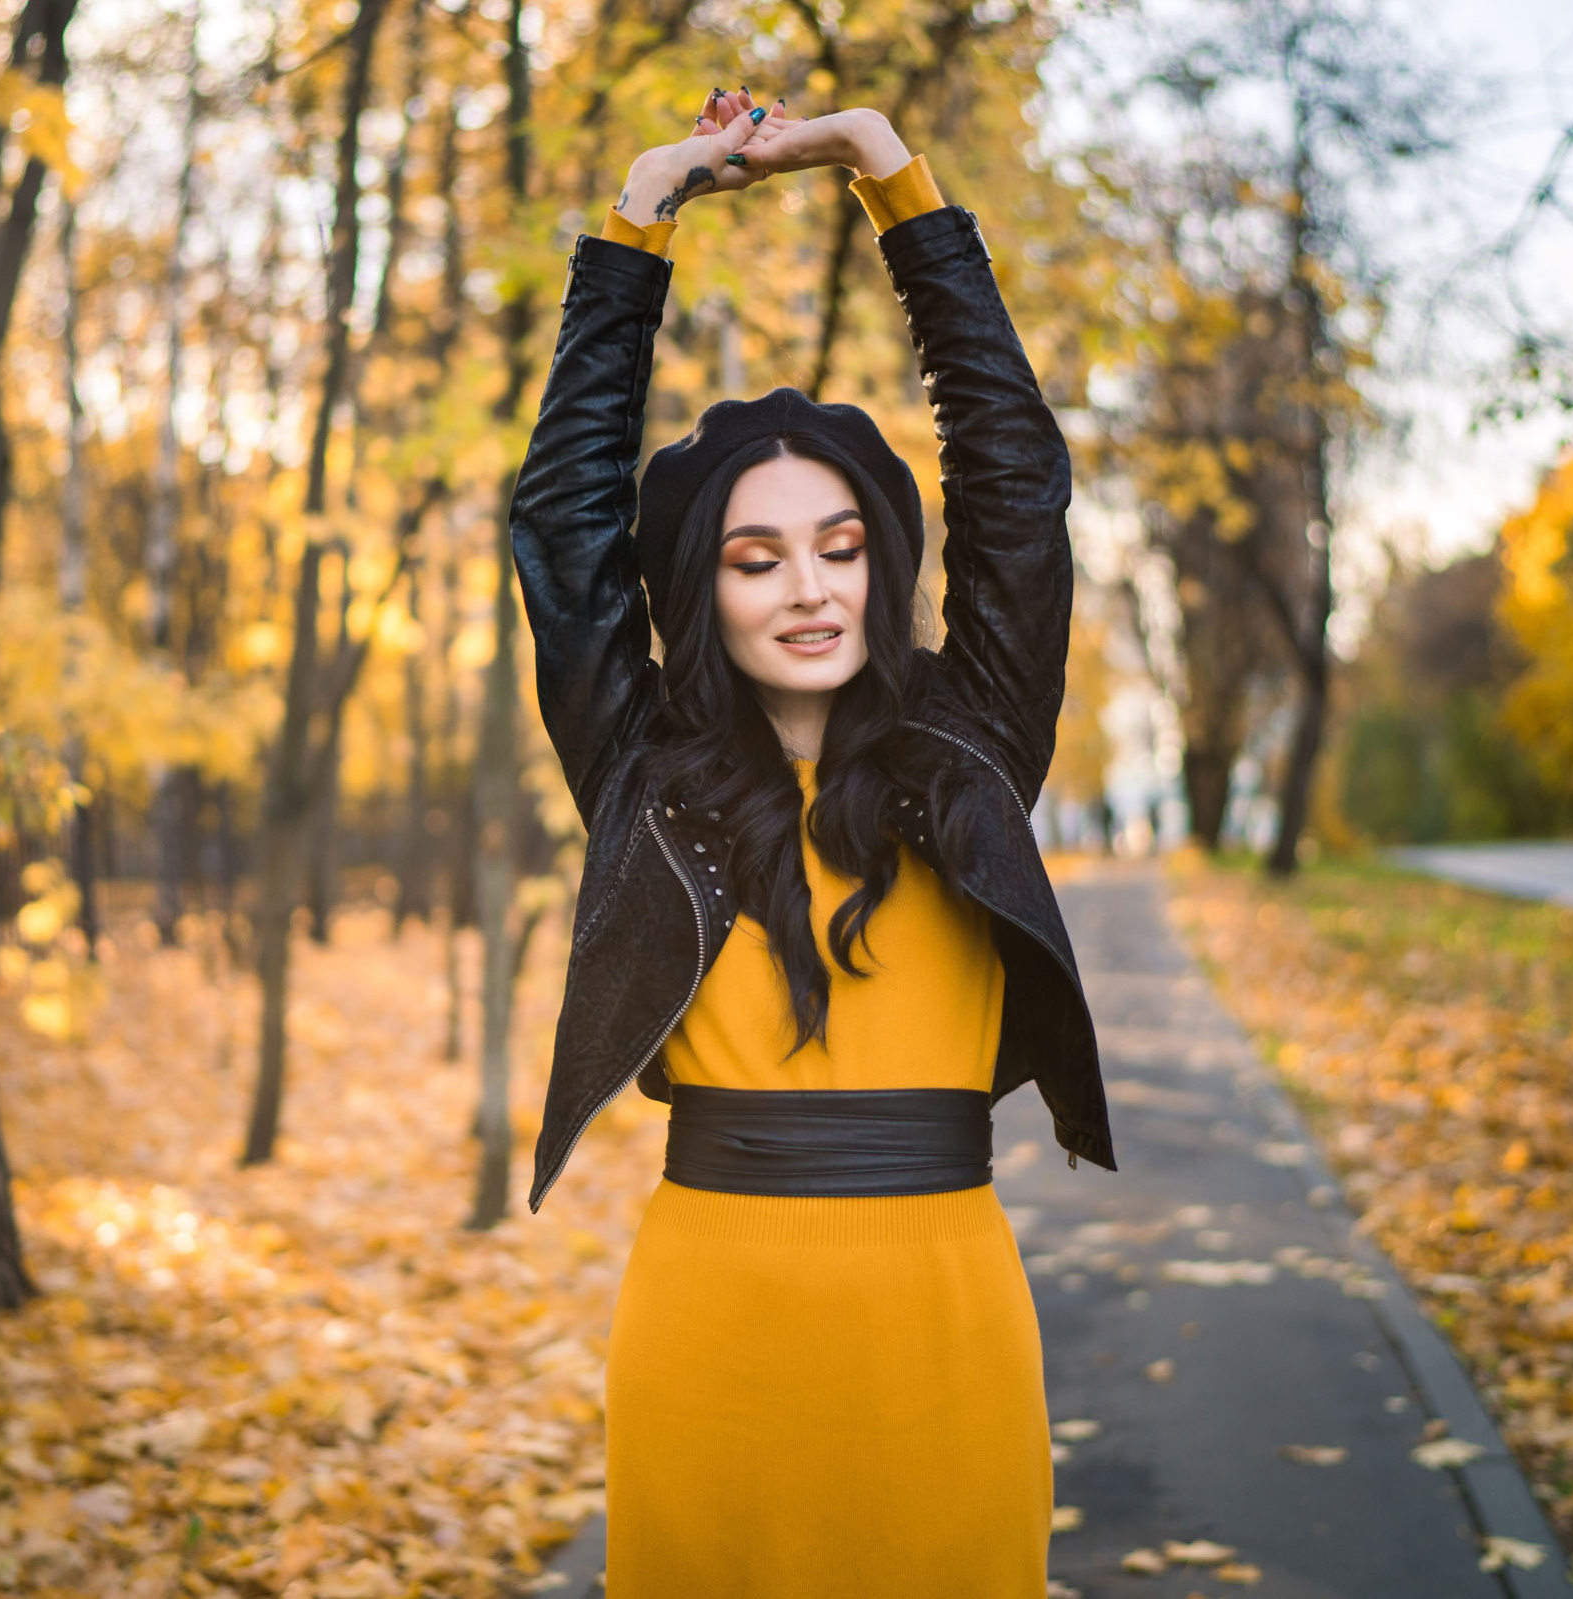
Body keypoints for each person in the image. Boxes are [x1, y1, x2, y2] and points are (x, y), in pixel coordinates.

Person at [507, 85, 1114, 1596]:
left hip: (947, 1324)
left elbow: (1018, 489)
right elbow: (562, 527)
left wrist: (887, 175)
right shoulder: (644, 772)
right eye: (754, 555)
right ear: (699, 590)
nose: (809, 588)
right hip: (710, 1325)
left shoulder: (972, 750)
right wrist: (637, 222)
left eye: (842, 548)